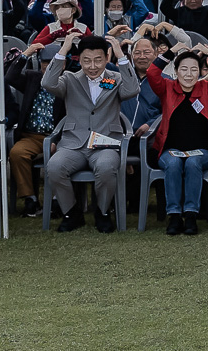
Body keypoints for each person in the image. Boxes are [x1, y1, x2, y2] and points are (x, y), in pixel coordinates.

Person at [41, 33, 141, 234]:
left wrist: (121, 57)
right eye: (87, 61)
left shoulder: (116, 79)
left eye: (98, 60)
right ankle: (71, 213)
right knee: (54, 166)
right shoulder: (70, 79)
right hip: (73, 143)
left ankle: (102, 212)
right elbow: (48, 84)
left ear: (106, 58)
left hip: (105, 142)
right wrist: (63, 50)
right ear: (79, 60)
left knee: (105, 167)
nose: (92, 66)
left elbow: (132, 89)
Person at [141, 45, 208, 235]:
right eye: (184, 69)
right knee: (174, 163)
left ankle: (191, 215)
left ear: (200, 71)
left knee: (192, 163)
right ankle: (174, 215)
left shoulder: (205, 88)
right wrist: (170, 52)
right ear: (175, 72)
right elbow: (152, 73)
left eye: (194, 69)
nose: (189, 74)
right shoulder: (166, 88)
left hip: (202, 151)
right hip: (169, 150)